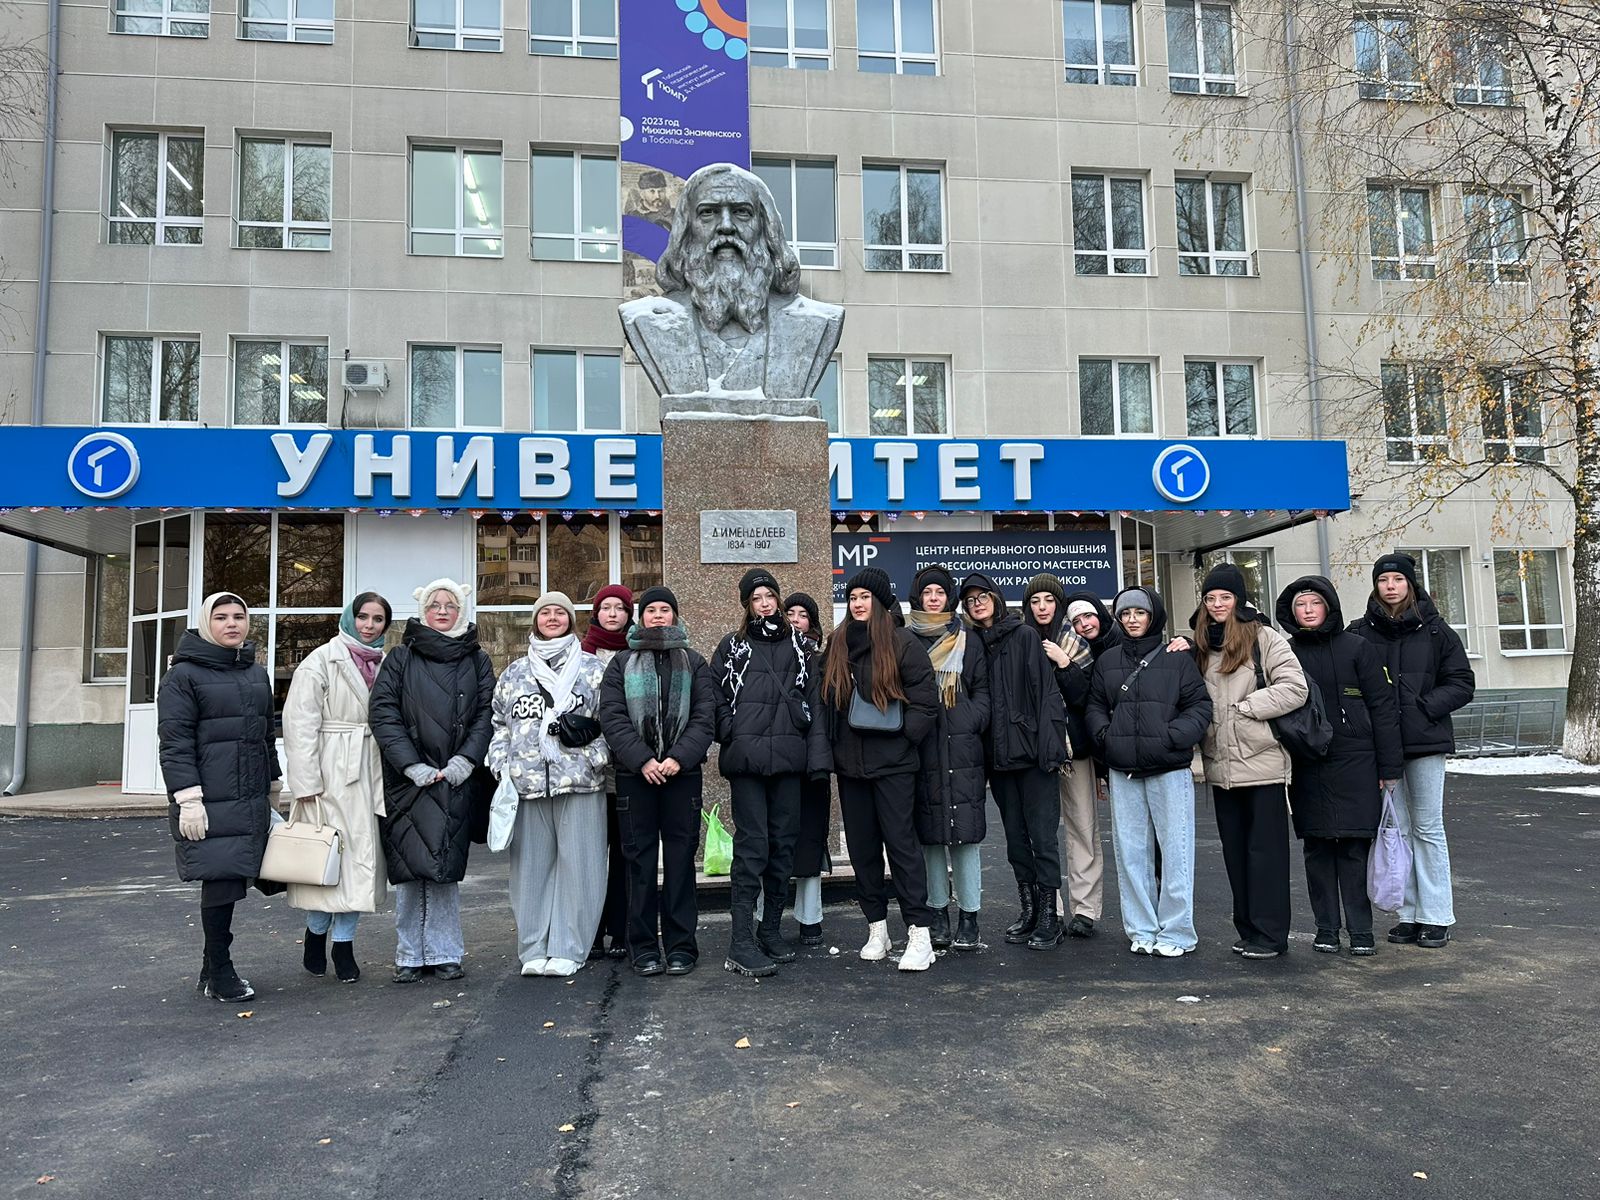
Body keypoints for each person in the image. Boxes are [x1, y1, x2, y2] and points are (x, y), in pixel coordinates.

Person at [369, 578, 495, 984]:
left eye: (451, 604)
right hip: (409, 780)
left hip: (455, 777)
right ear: (423, 610)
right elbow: (384, 713)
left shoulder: (476, 659)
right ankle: (409, 954)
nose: (442, 610)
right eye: (435, 604)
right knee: (409, 869)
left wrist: (465, 760)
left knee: (444, 867)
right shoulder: (400, 657)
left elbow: (486, 714)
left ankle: (445, 952)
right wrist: (409, 765)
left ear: (461, 611)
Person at [1347, 552, 1476, 949]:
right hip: (1381, 746)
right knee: (1396, 831)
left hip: (1425, 743)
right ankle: (1408, 914)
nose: (1390, 586)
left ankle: (1436, 916)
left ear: (1410, 584)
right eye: (1383, 579)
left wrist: (1425, 707)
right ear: (1375, 585)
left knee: (1428, 828)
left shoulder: (1437, 632)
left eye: (1397, 580)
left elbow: (1461, 683)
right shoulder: (1360, 633)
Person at [158, 592, 280, 1003]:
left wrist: (274, 784)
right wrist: (188, 799)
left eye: (239, 616)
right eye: (222, 617)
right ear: (205, 623)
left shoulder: (254, 673)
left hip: (248, 797)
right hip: (209, 800)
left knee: (234, 880)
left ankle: (210, 969)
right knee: (220, 882)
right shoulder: (183, 676)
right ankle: (221, 973)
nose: (232, 623)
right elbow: (174, 744)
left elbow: (266, 735)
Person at [711, 568, 830, 977]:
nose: (765, 602)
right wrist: (732, 730)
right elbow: (716, 696)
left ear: (778, 599)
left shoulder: (801, 647)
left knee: (783, 847)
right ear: (747, 604)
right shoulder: (733, 646)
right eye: (756, 597)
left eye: (769, 595)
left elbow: (814, 704)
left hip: (788, 764)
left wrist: (815, 760)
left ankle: (770, 930)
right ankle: (740, 941)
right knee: (753, 848)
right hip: (747, 763)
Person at [820, 568, 941, 970]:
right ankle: (877, 928)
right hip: (850, 767)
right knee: (863, 850)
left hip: (894, 766)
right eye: (852, 596)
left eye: (865, 596)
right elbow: (826, 702)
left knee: (902, 846)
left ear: (881, 601)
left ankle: (919, 933)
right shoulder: (837, 643)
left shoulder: (903, 643)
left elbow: (926, 702)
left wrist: (904, 738)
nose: (857, 603)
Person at [1276, 576, 1403, 955]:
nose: (1309, 610)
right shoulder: (1286, 652)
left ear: (1329, 606)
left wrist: (1389, 766)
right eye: (1301, 604)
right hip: (1306, 760)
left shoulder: (1357, 648)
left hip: (1356, 758)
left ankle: (1361, 931)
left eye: (1315, 602)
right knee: (1316, 848)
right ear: (1292, 611)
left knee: (1353, 847)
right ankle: (1326, 928)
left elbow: (1382, 707)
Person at [598, 587, 719, 976]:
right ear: (641, 617)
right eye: (651, 610)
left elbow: (705, 717)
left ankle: (683, 946)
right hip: (636, 778)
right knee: (639, 865)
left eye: (665, 610)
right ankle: (644, 946)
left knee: (682, 864)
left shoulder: (694, 662)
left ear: (675, 616)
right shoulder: (620, 663)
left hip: (681, 778)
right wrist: (644, 759)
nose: (658, 616)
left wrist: (677, 759)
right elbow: (612, 718)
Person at [1190, 564, 1310, 960]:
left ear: (1238, 600)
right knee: (1236, 854)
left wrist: (1247, 708)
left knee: (1267, 856)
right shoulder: (1201, 642)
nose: (1218, 604)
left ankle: (1271, 935)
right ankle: (1248, 930)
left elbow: (1295, 688)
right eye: (1211, 598)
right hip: (1221, 768)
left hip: (1262, 766)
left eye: (1225, 597)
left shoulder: (1264, 637)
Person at [488, 592, 610, 978]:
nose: (553, 617)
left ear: (571, 620)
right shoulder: (515, 673)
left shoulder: (593, 670)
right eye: (546, 612)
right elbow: (498, 725)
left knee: (582, 868)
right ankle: (533, 949)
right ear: (536, 620)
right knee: (530, 872)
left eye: (560, 612)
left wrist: (594, 758)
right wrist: (502, 765)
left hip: (580, 783)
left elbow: (613, 722)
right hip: (527, 785)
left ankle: (570, 948)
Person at [1085, 588, 1212, 957]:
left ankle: (1177, 933)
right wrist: (1107, 739)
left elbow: (1199, 706)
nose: (1132, 619)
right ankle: (1141, 929)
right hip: (1123, 769)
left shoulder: (1178, 658)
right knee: (1131, 854)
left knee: (1176, 853)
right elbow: (1095, 706)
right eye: (1125, 614)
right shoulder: (1108, 661)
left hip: (1169, 769)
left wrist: (1174, 737)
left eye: (1139, 613)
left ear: (1153, 615)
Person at [281, 591, 393, 984]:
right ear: (349, 618)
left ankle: (343, 944)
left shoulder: (386, 663)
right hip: (330, 771)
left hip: (368, 770)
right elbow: (299, 723)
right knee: (326, 862)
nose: (369, 625)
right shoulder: (320, 661)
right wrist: (306, 783)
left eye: (378, 619)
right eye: (363, 616)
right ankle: (315, 934)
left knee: (359, 865)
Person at [959, 572, 1070, 949]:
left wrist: (1050, 751)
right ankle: (1029, 911)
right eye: (970, 599)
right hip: (999, 760)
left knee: (1043, 839)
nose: (977, 602)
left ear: (996, 597)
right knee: (1015, 842)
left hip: (1034, 757)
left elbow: (1047, 697)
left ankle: (1049, 917)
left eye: (982, 595)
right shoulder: (972, 643)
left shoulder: (1023, 636)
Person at [905, 565, 991, 951]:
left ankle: (969, 917)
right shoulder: (907, 640)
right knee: (931, 837)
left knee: (965, 836)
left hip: (963, 749)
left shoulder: (968, 640)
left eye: (940, 591)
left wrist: (966, 719)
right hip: (922, 748)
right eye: (928, 592)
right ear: (919, 597)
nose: (934, 597)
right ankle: (937, 913)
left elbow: (984, 693)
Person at [1024, 574, 1105, 940]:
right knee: (1041, 834)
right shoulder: (1021, 639)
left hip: (1074, 751)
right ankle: (1049, 908)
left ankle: (1085, 910)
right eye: (1036, 601)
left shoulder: (1074, 642)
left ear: (1059, 605)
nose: (1042, 607)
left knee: (1082, 828)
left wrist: (1063, 663)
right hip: (1036, 751)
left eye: (1049, 600)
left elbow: (1085, 697)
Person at [582, 584, 634, 961]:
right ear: (596, 613)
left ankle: (619, 928)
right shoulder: (578, 654)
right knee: (588, 854)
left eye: (620, 607)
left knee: (622, 854)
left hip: (625, 766)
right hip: (586, 768)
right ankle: (589, 929)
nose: (613, 613)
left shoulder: (637, 654)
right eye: (606, 607)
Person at [784, 592, 831, 946]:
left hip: (813, 761)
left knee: (810, 839)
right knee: (771, 839)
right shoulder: (765, 652)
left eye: (803, 614)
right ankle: (761, 914)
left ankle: (810, 917)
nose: (795, 619)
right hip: (778, 760)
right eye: (790, 613)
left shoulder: (824, 660)